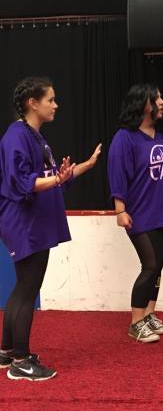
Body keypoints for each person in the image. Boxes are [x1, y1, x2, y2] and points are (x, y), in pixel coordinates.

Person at [0, 77, 101, 381]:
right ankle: (21, 361)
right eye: (50, 100)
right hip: (24, 223)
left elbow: (53, 178)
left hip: (34, 223)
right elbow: (22, 183)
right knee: (27, 288)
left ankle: (7, 352)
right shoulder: (17, 136)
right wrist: (57, 179)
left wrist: (82, 167)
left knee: (24, 287)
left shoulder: (34, 136)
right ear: (33, 103)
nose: (56, 105)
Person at [108, 83, 163, 344]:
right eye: (156, 98)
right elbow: (117, 173)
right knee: (149, 265)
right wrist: (120, 209)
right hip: (141, 214)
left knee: (158, 265)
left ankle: (149, 314)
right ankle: (136, 321)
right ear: (143, 103)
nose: (162, 102)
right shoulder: (124, 138)